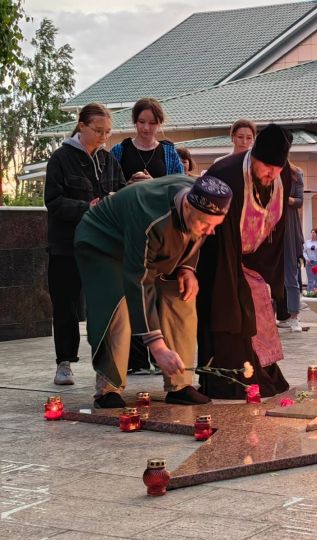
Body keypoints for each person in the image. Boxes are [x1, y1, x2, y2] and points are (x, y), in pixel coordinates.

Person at [74, 174, 232, 408]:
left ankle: (180, 384)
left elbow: (195, 235)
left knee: (182, 294)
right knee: (118, 306)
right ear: (187, 206)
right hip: (103, 243)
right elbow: (139, 280)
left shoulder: (200, 200)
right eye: (205, 224)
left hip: (151, 249)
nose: (210, 232)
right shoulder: (150, 217)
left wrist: (187, 268)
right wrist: (157, 346)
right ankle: (109, 387)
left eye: (215, 225)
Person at [196, 124, 294, 399]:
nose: (271, 174)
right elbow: (212, 234)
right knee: (229, 313)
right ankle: (226, 381)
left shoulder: (281, 174)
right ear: (254, 157)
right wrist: (234, 277)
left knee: (258, 302)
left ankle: (261, 374)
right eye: (266, 168)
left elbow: (277, 227)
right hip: (219, 261)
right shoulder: (225, 174)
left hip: (252, 260)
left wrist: (267, 276)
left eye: (277, 169)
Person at [44, 102, 126, 386]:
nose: (104, 137)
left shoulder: (108, 161)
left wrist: (126, 192)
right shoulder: (61, 159)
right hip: (65, 245)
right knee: (65, 305)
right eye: (99, 131)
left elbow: (122, 193)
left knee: (104, 305)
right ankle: (63, 363)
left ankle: (105, 363)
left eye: (108, 132)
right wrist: (86, 207)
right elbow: (53, 202)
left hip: (101, 247)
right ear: (82, 126)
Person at [110, 97, 185, 373]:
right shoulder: (120, 150)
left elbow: (180, 187)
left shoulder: (168, 152)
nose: (146, 128)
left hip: (158, 232)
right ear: (134, 122)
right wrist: (129, 185)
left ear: (159, 124)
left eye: (152, 123)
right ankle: (133, 358)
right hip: (128, 228)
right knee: (130, 289)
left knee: (154, 291)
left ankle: (159, 354)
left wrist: (154, 185)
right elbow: (110, 186)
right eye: (141, 122)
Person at [276, 162, 305, 332]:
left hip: (288, 229)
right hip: (268, 227)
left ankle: (294, 316)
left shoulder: (296, 173)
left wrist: (286, 199)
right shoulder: (262, 171)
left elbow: (299, 201)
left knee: (290, 275)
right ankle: (267, 317)